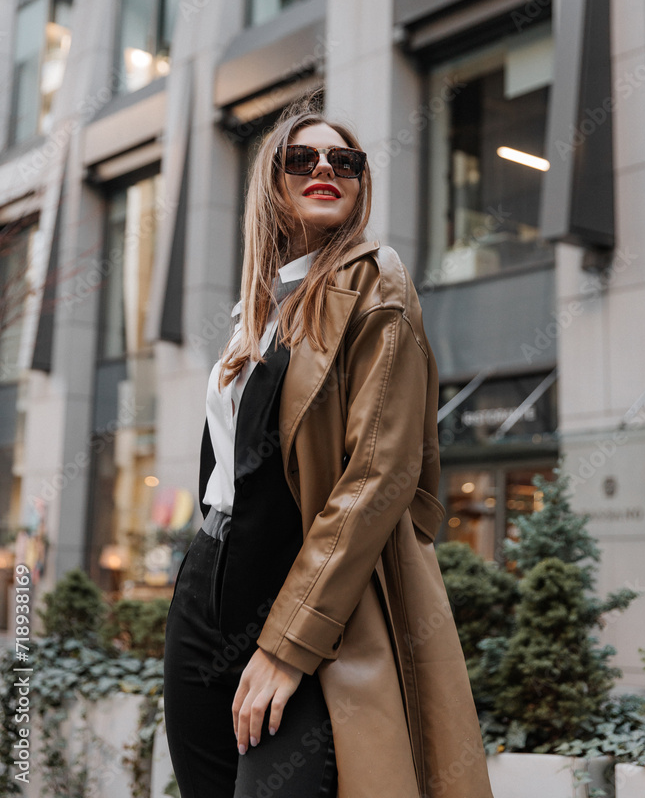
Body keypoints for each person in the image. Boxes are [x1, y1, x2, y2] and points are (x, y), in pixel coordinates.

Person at [163, 101, 495, 798]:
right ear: (270, 182)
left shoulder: (377, 283)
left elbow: (378, 475)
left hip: (305, 600)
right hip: (206, 591)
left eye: (342, 161)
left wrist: (286, 646)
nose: (324, 169)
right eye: (301, 158)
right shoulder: (256, 311)